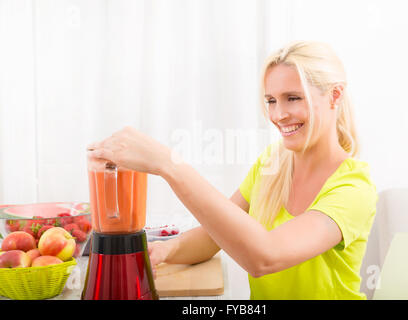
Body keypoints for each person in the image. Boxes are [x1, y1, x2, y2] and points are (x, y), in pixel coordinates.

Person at [87, 40, 378, 300]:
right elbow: (216, 234)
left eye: (293, 98)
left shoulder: (354, 188)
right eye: (271, 101)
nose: (278, 115)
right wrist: (166, 251)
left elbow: (265, 257)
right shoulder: (272, 164)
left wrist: (168, 164)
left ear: (335, 96)